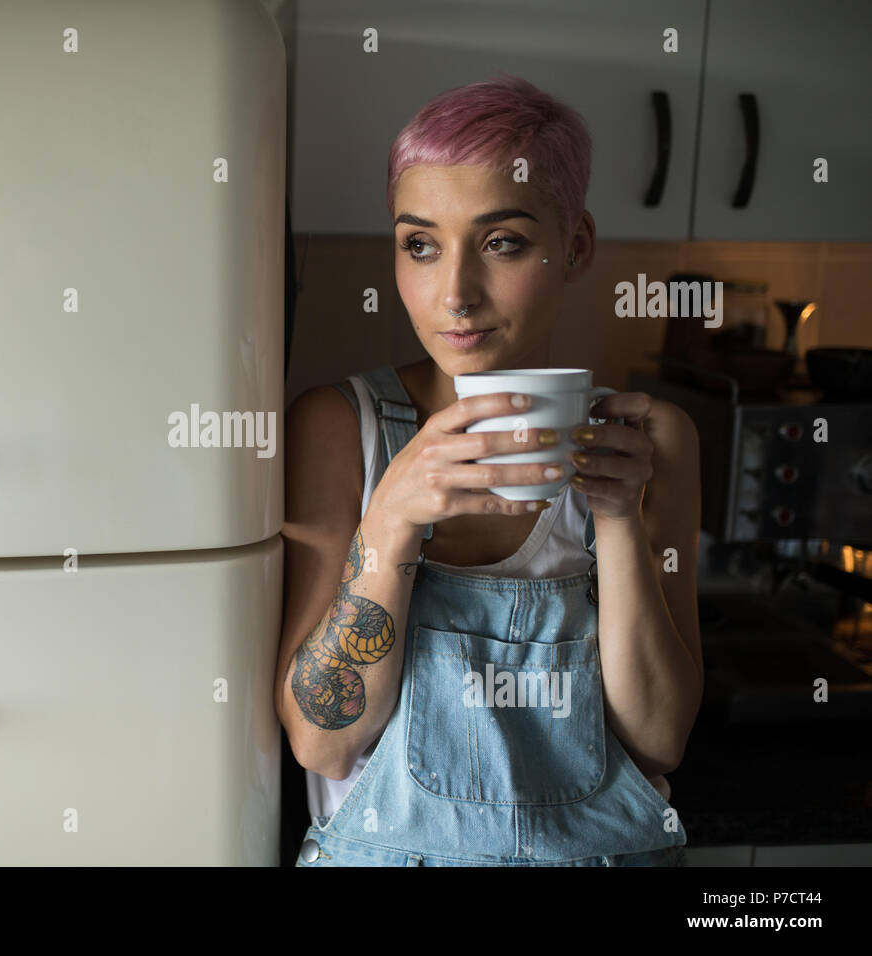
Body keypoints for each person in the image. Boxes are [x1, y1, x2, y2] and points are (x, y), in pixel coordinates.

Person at [276, 74, 703, 867]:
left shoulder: (651, 441)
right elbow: (321, 742)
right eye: (421, 245)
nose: (455, 294)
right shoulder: (340, 429)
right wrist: (392, 521)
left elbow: (660, 738)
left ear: (574, 246)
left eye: (501, 242)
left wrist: (615, 518)